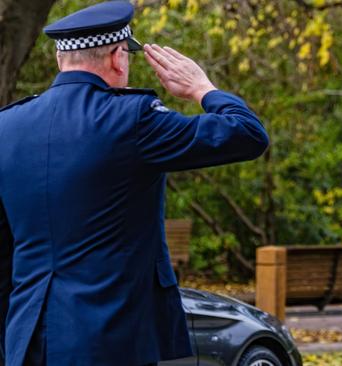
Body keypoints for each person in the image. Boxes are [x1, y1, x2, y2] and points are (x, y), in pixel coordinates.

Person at [0, 1, 269, 365]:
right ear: (117, 57)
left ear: (60, 60)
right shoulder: (133, 119)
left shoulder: (7, 127)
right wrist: (201, 88)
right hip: (111, 339)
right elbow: (248, 134)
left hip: (27, 341)